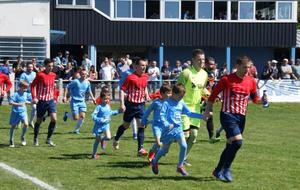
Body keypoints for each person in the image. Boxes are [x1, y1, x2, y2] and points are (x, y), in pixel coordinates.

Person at [203, 55, 264, 182]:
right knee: (238, 141)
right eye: (244, 67)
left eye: (249, 67)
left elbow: (255, 99)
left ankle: (218, 170)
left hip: (241, 117)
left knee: (231, 144)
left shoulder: (251, 81)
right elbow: (213, 96)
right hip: (227, 115)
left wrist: (262, 101)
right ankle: (227, 168)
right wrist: (208, 110)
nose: (247, 70)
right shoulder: (226, 79)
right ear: (237, 66)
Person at [151, 84, 203, 176]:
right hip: (168, 131)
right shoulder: (166, 103)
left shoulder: (181, 102)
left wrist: (202, 116)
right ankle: (155, 161)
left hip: (178, 129)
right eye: (179, 96)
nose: (180, 98)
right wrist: (167, 124)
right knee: (164, 150)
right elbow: (162, 115)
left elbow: (189, 113)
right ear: (173, 94)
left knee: (184, 145)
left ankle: (180, 166)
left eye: (182, 97)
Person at [112, 58, 150, 156]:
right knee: (126, 125)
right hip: (131, 105)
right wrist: (122, 104)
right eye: (141, 65)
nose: (143, 67)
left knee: (142, 125)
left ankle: (140, 150)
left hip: (141, 105)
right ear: (135, 66)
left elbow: (144, 87)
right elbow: (122, 90)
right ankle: (116, 139)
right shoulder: (130, 77)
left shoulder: (146, 76)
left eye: (145, 65)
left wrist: (147, 94)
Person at [177, 49, 208, 166]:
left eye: (203, 60)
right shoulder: (186, 73)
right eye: (199, 60)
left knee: (194, 135)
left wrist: (210, 95)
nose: (201, 62)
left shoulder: (204, 74)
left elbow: (202, 89)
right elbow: (177, 89)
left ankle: (183, 158)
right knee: (186, 135)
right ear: (193, 60)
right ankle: (163, 144)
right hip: (184, 108)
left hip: (196, 108)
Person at [141, 83, 172, 163]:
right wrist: (143, 120)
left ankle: (153, 152)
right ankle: (153, 155)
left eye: (170, 92)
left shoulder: (170, 103)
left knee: (163, 145)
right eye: (168, 93)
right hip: (157, 126)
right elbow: (148, 111)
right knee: (158, 142)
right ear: (162, 93)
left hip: (166, 127)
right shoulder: (156, 102)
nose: (169, 95)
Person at [30, 58, 57, 147]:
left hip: (50, 101)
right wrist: (34, 97)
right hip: (41, 101)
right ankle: (35, 138)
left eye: (52, 66)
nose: (51, 68)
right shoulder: (40, 75)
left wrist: (55, 97)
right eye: (49, 66)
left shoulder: (53, 75)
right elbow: (33, 85)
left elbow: (53, 87)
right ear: (45, 66)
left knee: (54, 119)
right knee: (39, 121)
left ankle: (48, 139)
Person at [63, 69, 96, 134]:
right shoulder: (76, 81)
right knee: (76, 118)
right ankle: (66, 114)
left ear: (87, 74)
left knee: (82, 116)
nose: (84, 75)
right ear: (80, 74)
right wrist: (64, 96)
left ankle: (76, 130)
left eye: (85, 74)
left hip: (82, 102)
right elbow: (67, 87)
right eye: (82, 74)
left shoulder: (87, 83)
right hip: (74, 101)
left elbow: (89, 91)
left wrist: (93, 99)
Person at [91, 91, 121, 159]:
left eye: (108, 99)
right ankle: (94, 155)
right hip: (98, 126)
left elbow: (111, 113)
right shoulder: (99, 107)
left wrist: (118, 111)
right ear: (101, 99)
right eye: (105, 99)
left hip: (106, 126)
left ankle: (102, 140)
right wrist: (100, 119)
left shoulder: (108, 106)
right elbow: (93, 116)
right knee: (97, 141)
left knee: (108, 137)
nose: (107, 100)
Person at [8, 81, 31, 147]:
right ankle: (11, 140)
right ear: (21, 87)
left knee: (26, 124)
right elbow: (10, 102)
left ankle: (22, 137)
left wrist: (31, 102)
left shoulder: (26, 94)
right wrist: (18, 104)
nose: (26, 89)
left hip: (23, 112)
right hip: (15, 112)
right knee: (13, 126)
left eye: (27, 87)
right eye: (25, 87)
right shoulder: (16, 94)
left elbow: (25, 101)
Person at [19, 62, 37, 128]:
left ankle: (30, 121)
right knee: (22, 108)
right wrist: (27, 84)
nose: (30, 68)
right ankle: (20, 121)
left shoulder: (35, 74)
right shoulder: (23, 74)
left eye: (31, 67)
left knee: (34, 108)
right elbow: (20, 83)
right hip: (25, 93)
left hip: (32, 93)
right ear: (26, 67)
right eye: (29, 67)